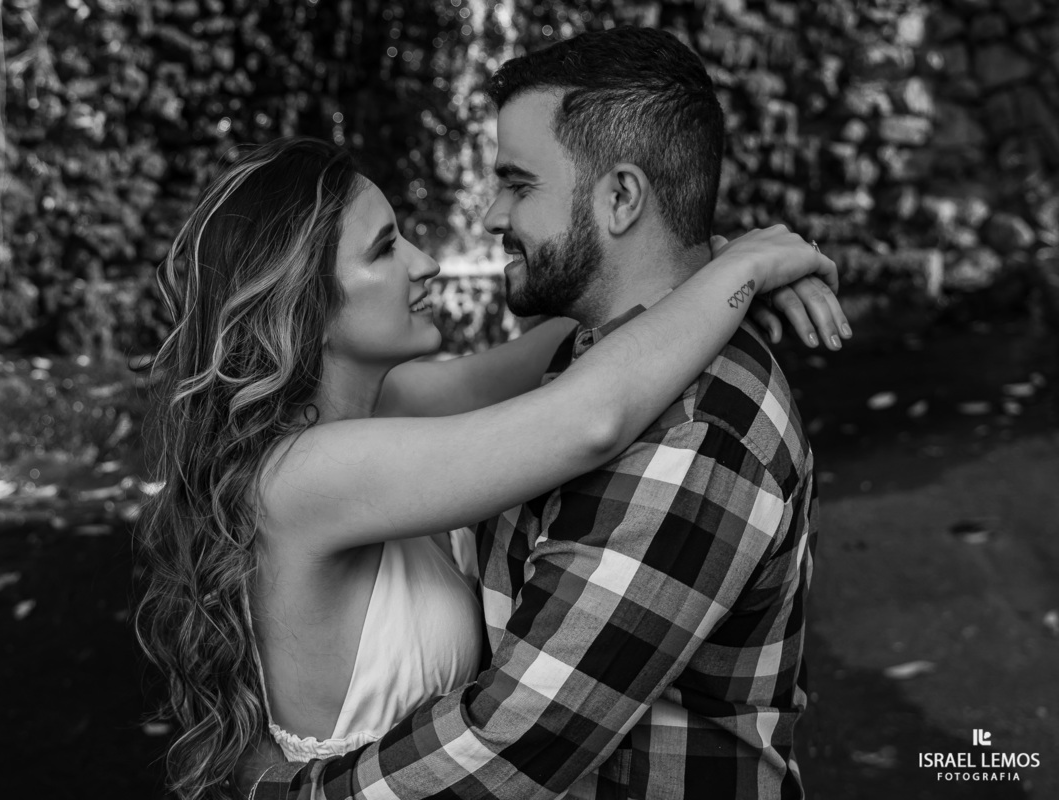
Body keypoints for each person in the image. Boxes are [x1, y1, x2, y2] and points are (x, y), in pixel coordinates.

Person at [247, 26, 832, 800]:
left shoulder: (692, 426)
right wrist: (736, 267)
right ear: (307, 306)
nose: (486, 219)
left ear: (621, 198)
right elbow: (591, 410)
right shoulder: (582, 369)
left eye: (518, 184)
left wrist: (727, 267)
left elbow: (515, 747)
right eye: (386, 248)